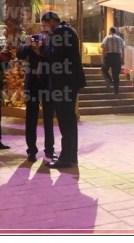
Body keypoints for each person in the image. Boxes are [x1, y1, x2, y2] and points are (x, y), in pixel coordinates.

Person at [41, 12, 86, 169]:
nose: (45, 29)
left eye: (45, 25)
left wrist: (41, 48)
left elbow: (55, 55)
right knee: (70, 120)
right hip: (71, 82)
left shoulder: (60, 31)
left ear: (52, 21)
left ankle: (66, 158)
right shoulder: (69, 30)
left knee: (65, 120)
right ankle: (71, 155)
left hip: (64, 83)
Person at [16, 32, 55, 162]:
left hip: (47, 85)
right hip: (32, 85)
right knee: (31, 119)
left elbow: (55, 58)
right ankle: (31, 150)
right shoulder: (32, 41)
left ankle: (49, 150)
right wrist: (27, 45)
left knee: (48, 119)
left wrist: (42, 48)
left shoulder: (51, 43)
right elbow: (20, 54)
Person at [100, 27, 125, 94]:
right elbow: (123, 50)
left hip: (109, 56)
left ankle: (109, 80)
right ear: (115, 32)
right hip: (117, 57)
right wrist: (122, 59)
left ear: (110, 31)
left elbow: (104, 49)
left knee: (104, 69)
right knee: (116, 75)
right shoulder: (120, 39)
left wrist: (102, 58)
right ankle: (116, 91)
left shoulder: (107, 38)